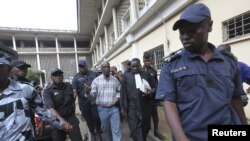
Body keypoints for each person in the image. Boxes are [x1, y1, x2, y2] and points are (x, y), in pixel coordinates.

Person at [156, 3, 248, 141]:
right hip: (191, 136)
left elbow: (236, 99)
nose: (185, 37)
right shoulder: (171, 66)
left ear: (209, 26)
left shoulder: (228, 63)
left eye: (192, 30)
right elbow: (169, 103)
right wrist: (181, 138)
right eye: (182, 32)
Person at [0, 46, 63, 141]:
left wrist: (42, 122)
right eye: (21, 68)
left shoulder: (30, 86)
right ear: (11, 69)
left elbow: (42, 109)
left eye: (25, 68)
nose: (24, 70)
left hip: (28, 126)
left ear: (8, 69)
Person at [43, 68, 83, 141]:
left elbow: (72, 100)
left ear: (63, 76)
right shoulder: (47, 91)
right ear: (51, 77)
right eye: (55, 75)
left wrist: (73, 114)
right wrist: (63, 122)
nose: (58, 76)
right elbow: (51, 108)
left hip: (71, 118)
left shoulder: (68, 86)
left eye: (60, 74)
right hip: (57, 121)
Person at [121, 58, 155, 141]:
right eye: (133, 66)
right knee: (134, 128)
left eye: (137, 66)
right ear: (130, 67)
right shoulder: (126, 76)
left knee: (145, 127)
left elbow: (154, 87)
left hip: (145, 106)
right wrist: (123, 108)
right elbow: (123, 93)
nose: (135, 68)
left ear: (140, 65)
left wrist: (151, 92)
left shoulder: (146, 74)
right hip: (132, 107)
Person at [89, 61, 122, 141]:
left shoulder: (115, 80)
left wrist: (117, 97)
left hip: (114, 109)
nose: (106, 68)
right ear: (101, 69)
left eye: (108, 67)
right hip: (102, 110)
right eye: (104, 67)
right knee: (107, 131)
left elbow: (119, 90)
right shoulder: (96, 81)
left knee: (116, 130)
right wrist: (88, 92)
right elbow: (93, 94)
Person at [72, 59, 102, 141]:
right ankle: (93, 134)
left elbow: (100, 85)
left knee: (97, 118)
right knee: (89, 120)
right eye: (80, 66)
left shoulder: (94, 74)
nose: (81, 68)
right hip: (84, 103)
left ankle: (98, 131)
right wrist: (72, 103)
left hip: (94, 101)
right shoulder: (76, 78)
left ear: (86, 66)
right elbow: (74, 91)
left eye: (83, 66)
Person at [142, 53, 165, 140]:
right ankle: (145, 133)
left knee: (155, 117)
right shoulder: (140, 71)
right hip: (144, 99)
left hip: (152, 98)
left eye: (149, 60)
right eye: (146, 61)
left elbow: (156, 84)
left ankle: (156, 131)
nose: (148, 62)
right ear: (143, 61)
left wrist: (154, 90)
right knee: (146, 118)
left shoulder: (153, 71)